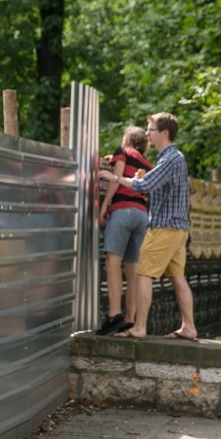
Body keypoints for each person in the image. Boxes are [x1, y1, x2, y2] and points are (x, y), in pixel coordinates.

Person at [108, 112, 197, 341]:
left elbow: (145, 186)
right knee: (178, 276)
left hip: (164, 228)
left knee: (143, 274)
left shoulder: (170, 158)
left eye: (151, 130)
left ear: (164, 133)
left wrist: (114, 178)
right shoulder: (171, 158)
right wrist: (142, 176)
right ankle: (189, 327)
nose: (147, 133)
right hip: (177, 228)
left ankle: (139, 327)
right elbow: (155, 185)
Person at [96, 126, 152, 335]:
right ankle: (130, 319)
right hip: (142, 215)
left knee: (113, 261)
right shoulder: (146, 163)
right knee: (133, 270)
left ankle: (114, 314)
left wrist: (105, 204)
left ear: (128, 139)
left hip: (122, 211)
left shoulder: (124, 151)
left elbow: (117, 177)